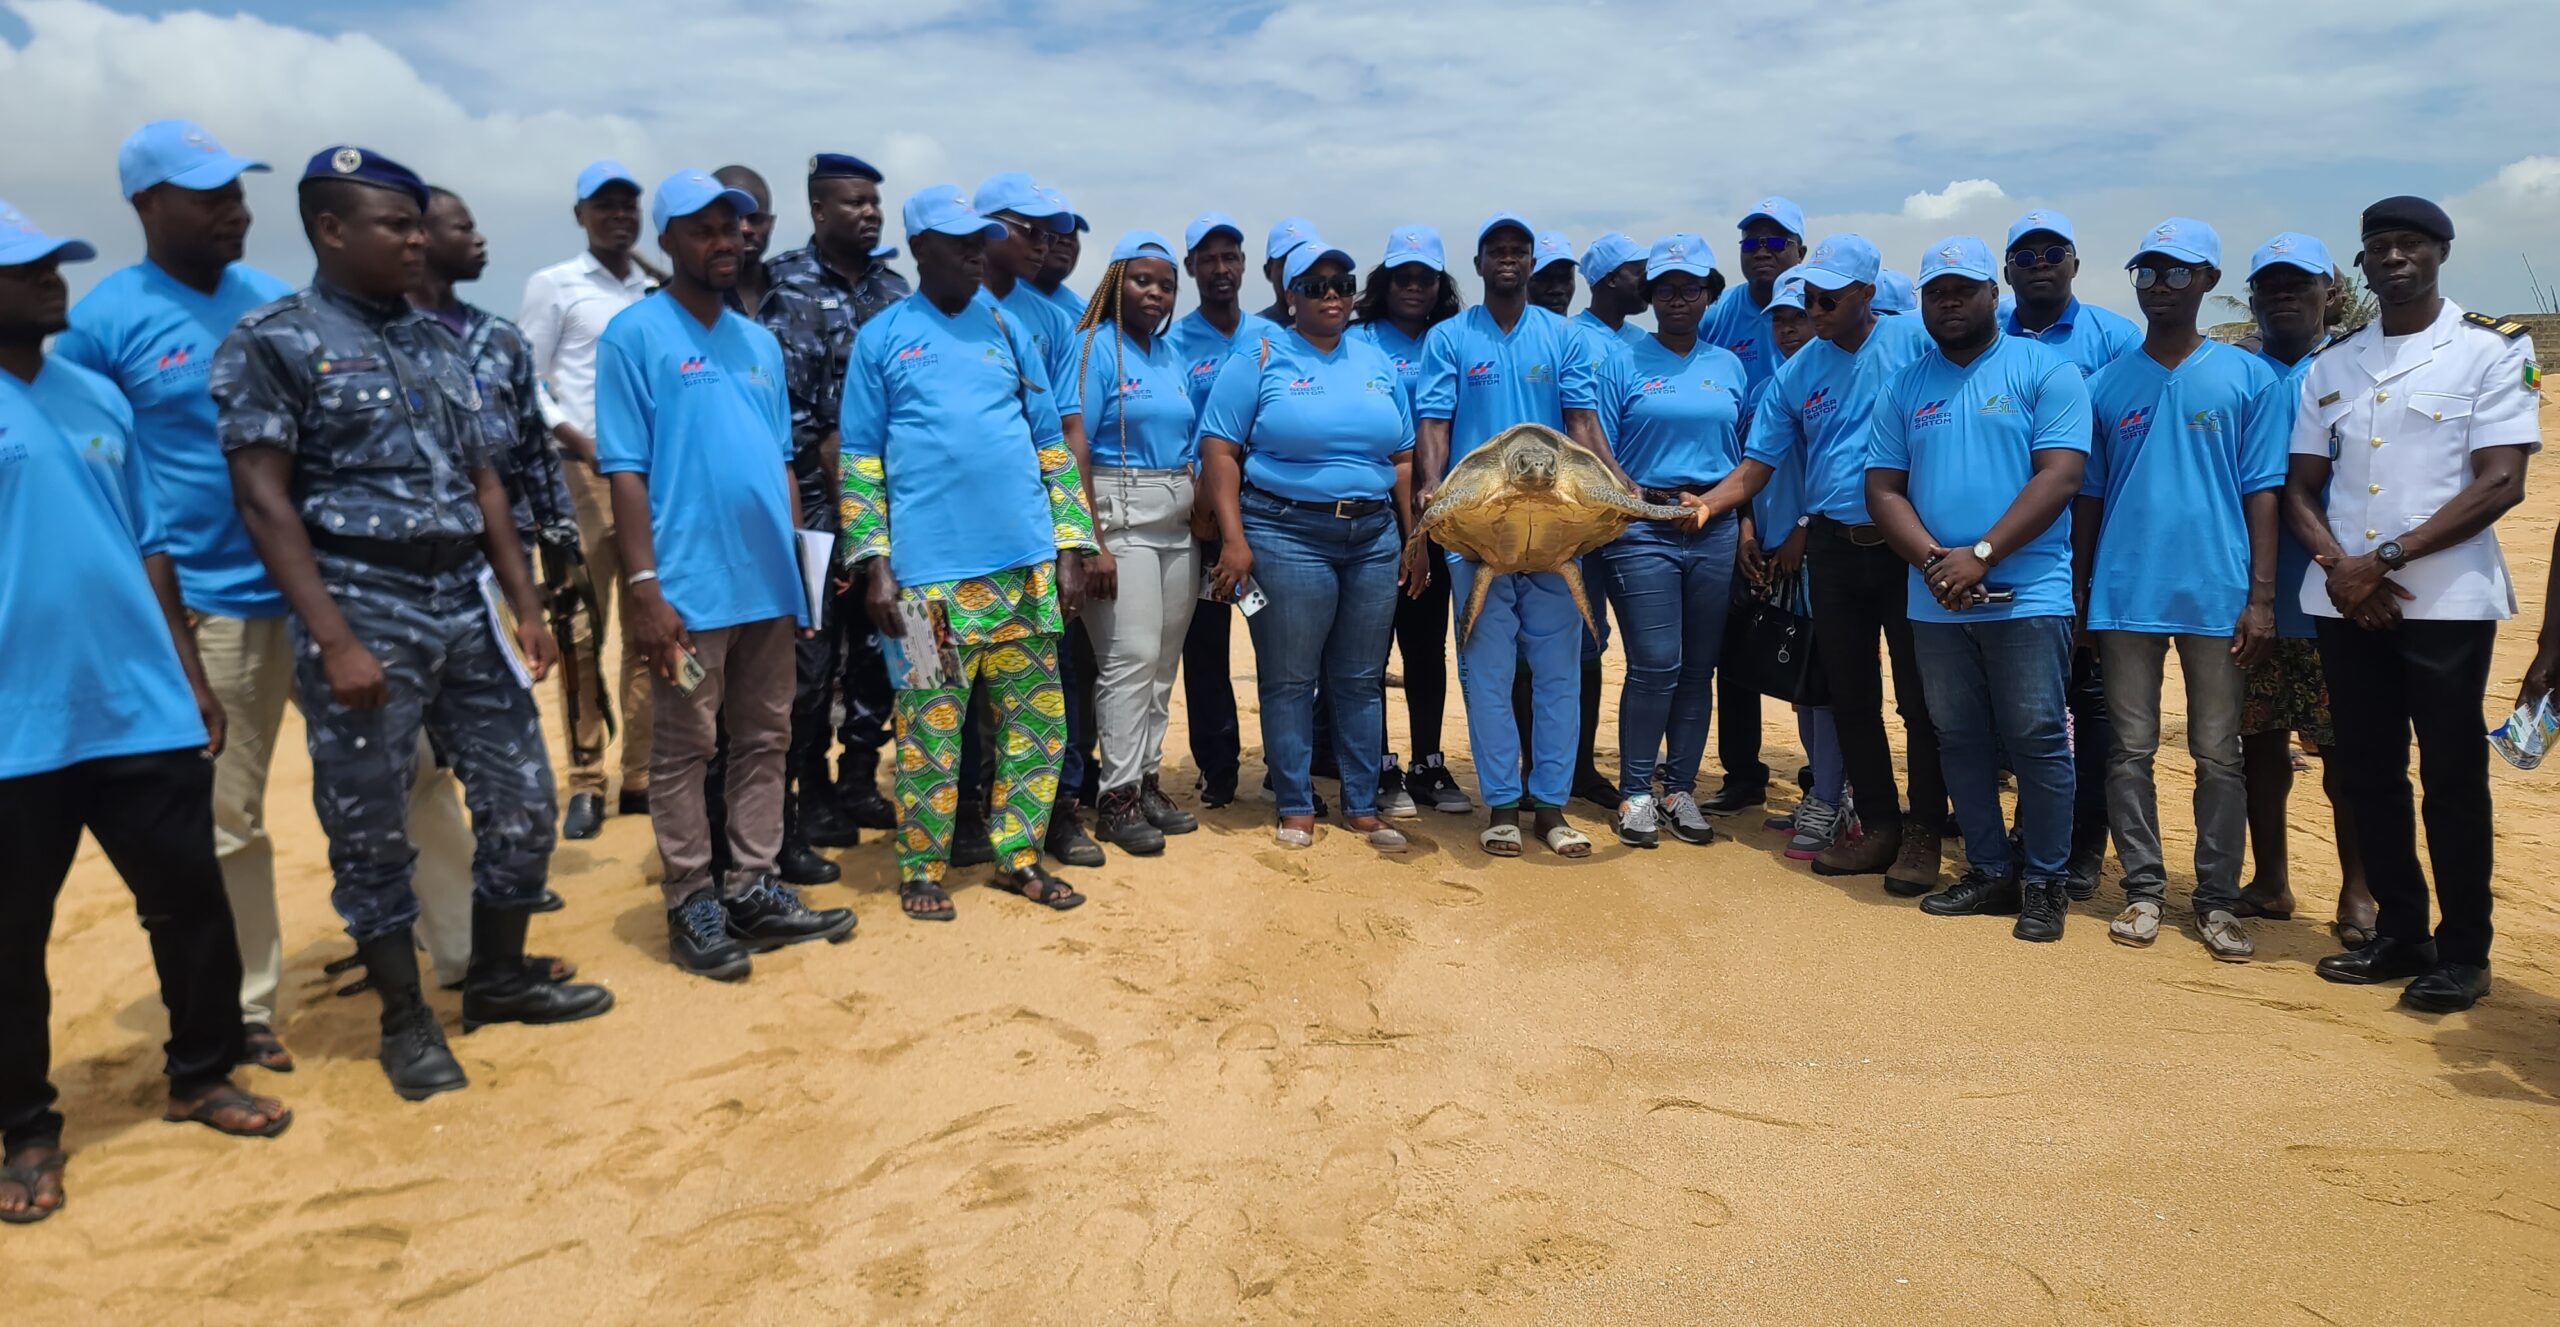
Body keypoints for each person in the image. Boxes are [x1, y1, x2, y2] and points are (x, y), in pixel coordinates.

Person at [214, 147, 613, 1101]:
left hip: (466, 599)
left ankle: (500, 977)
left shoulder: (442, 342)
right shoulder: (274, 340)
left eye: (417, 224)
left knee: (522, 800)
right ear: (330, 230)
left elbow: (485, 479)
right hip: (362, 601)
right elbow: (263, 500)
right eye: (396, 225)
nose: (417, 240)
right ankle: (404, 1017)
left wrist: (524, 603)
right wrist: (336, 637)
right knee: (371, 828)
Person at [53, 119, 417, 1073]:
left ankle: (436, 953)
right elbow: (101, 473)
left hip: (330, 591)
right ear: (146, 204)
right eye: (208, 195)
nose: (235, 210)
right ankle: (249, 1004)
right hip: (215, 605)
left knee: (408, 767)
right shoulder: (103, 323)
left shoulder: (278, 302)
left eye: (237, 191)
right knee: (228, 817)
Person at [1, 202, 293, 1227]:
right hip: (14, 726)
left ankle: (202, 1070)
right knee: (11, 938)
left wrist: (188, 673)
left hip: (137, 705)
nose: (50, 280)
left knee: (188, 903)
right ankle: (26, 1127)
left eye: (52, 263)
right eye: (24, 268)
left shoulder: (92, 392)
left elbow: (151, 540)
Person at [594, 170, 854, 980]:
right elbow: (626, 471)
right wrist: (644, 589)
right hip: (686, 589)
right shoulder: (634, 336)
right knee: (684, 746)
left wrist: (799, 568)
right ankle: (690, 897)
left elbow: (781, 464)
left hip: (766, 584)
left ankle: (753, 883)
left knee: (766, 737)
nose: (726, 242)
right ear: (666, 239)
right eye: (704, 229)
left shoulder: (760, 343)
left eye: (736, 229)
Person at [2285, 196, 2539, 1013]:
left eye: (2411, 244)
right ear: (2360, 266)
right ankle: (2402, 931)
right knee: (2366, 772)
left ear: (2442, 252)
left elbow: (2502, 480)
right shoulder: (2332, 364)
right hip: (2345, 602)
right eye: (2379, 247)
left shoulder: (2490, 351)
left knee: (2453, 776)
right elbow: (2300, 487)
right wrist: (2342, 570)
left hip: (2446, 601)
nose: (2394, 257)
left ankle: (2465, 949)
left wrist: (2384, 560)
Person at [838, 183, 1098, 921]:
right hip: (927, 587)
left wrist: (1072, 544)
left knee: (1037, 724)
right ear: (920, 248)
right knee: (930, 732)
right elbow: (859, 459)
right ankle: (923, 867)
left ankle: (1019, 855)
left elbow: (1050, 441)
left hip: (1022, 572)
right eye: (957, 242)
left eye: (978, 240)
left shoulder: (1008, 331)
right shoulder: (884, 338)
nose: (974, 253)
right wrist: (876, 566)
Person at [1867, 236, 2092, 942]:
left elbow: (2059, 476)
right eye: (1937, 292)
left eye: (1963, 289)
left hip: (2029, 592)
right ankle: (1990, 869)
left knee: (2035, 737)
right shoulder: (1906, 385)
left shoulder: (2044, 369)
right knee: (1957, 735)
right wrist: (1939, 560)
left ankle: (2045, 879)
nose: (1950, 302)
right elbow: (1881, 487)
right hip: (1935, 594)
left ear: (1993, 292)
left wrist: (1983, 555)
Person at [2076, 219, 2285, 960]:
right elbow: (2090, 500)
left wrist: (2261, 597)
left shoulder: (2247, 377)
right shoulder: (2105, 384)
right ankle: (2141, 889)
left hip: (2217, 593)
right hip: (2126, 592)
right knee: (2128, 750)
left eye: (2175, 273)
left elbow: (2265, 493)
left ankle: (2218, 900)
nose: (2159, 288)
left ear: (2206, 280)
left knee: (2217, 752)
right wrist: (2081, 595)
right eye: (2147, 274)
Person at [1708, 235, 1938, 891]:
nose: (1815, 306)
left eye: (1828, 295)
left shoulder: (1912, 341)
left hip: (1905, 546)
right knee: (1850, 695)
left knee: (1920, 702)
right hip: (1836, 551)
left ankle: (1922, 834)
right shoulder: (1797, 372)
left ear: (1868, 293)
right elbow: (1756, 467)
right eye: (1808, 295)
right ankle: (1878, 827)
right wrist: (1707, 504)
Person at [1200, 240, 1415, 851]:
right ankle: (1295, 803)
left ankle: (1362, 804)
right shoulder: (1260, 353)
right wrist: (1234, 541)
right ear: (1289, 295)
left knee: (1359, 678)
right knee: (1290, 677)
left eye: (1342, 284)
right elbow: (1219, 449)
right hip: (1284, 530)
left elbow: (1400, 458)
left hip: (1372, 534)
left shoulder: (1373, 357)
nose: (1331, 296)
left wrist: (1411, 537)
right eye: (1315, 285)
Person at [1413, 213, 1614, 858]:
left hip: (1555, 530)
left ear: (1532, 264)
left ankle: (1550, 807)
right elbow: (1435, 424)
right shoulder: (1449, 338)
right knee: (1488, 671)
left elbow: (1581, 423)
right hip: (1477, 530)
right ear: (1478, 265)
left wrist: (1620, 486)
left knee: (1559, 672)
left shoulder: (1563, 337)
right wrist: (1431, 487)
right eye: (1495, 251)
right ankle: (1501, 803)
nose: (1507, 260)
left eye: (1518, 251)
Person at [756, 152, 913, 877]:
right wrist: (835, 465)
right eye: (853, 202)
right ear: (818, 210)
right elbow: (782, 404)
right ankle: (810, 790)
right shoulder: (783, 283)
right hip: (817, 502)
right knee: (814, 657)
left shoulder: (894, 289)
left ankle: (858, 776)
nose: (869, 213)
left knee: (883, 645)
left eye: (875, 202)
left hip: (889, 495)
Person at [2233, 234, 2371, 945]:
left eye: (2299, 283)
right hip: (2250, 596)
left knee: (2344, 752)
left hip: (2336, 597)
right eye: (2270, 284)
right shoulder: (2235, 371)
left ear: (2331, 290)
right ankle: (2271, 879)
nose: (2283, 294)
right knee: (2257, 747)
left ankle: (2358, 889)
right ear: (2253, 295)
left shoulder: (2356, 366)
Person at [1592, 235, 1748, 848]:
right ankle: (1635, 793)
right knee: (1656, 663)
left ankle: (1679, 789)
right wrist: (1646, 501)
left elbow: (1746, 455)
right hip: (1641, 526)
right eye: (1665, 288)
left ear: (1709, 293)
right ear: (1649, 296)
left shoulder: (1728, 365)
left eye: (1690, 288)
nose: (1678, 299)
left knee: (1698, 669)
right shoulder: (1621, 361)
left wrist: (1713, 508)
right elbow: (1596, 447)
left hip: (1712, 526)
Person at [2002, 208, 2138, 898]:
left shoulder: (2115, 339)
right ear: (2007, 272)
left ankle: (2085, 845)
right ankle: (2031, 831)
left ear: (2076, 263)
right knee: (2030, 708)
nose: (2040, 264)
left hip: (2098, 544)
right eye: (2024, 256)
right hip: (2014, 552)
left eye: (2053, 251)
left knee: (2092, 707)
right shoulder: (1984, 331)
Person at [520, 160, 657, 839]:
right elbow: (530, 382)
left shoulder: (656, 287)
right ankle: (583, 780)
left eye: (628, 204)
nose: (618, 216)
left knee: (649, 628)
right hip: (581, 477)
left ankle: (640, 776)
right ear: (580, 214)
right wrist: (577, 437)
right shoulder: (556, 286)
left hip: (653, 478)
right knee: (580, 633)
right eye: (603, 206)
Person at [971, 171, 1105, 867]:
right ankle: (969, 817)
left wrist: (1073, 537)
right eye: (1029, 227)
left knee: (1052, 677)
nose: (1045, 242)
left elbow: (1068, 436)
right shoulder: (944, 312)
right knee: (957, 682)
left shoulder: (1054, 319)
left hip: (1031, 525)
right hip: (959, 534)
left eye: (1052, 230)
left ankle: (1059, 813)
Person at [1063, 231, 1203, 854]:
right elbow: (1075, 446)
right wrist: (1089, 540)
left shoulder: (1169, 356)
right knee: (1129, 658)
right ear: (1117, 280)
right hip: (1119, 517)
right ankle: (1114, 799)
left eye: (1167, 284)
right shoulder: (1092, 347)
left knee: (1162, 665)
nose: (1156, 292)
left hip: (1175, 522)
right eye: (1144, 280)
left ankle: (1145, 779)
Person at [1352, 225, 1470, 817]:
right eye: (1403, 277)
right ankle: (1379, 764)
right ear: (1385, 282)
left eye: (1426, 277)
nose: (1415, 287)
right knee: (1369, 652)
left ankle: (1428, 762)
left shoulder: (1453, 338)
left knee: (1426, 649)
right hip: (1375, 518)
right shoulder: (1359, 339)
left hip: (1442, 520)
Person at [1700, 195, 1809, 816]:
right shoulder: (1722, 317)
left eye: (1775, 243)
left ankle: (1826, 778)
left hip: (1805, 523)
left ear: (1800, 249)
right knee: (1734, 654)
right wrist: (1741, 523)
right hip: (1745, 513)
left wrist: (1801, 526)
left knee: (1816, 656)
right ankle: (1743, 773)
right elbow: (1738, 446)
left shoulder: (1831, 347)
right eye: (1751, 244)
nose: (1762, 253)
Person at [1168, 211, 1279, 811]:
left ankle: (1284, 762)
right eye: (1207, 258)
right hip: (1205, 533)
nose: (1220, 268)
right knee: (1205, 650)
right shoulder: (1172, 343)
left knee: (1273, 639)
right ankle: (1218, 768)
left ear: (1243, 265)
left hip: (1263, 527)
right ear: (1191, 268)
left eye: (1229, 256)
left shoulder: (1268, 337)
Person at [1742, 269, 1854, 860]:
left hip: (1810, 550)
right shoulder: (1778, 385)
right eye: (1780, 319)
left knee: (1826, 686)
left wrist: (1805, 530)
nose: (1789, 328)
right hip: (1777, 551)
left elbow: (1835, 470)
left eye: (1799, 316)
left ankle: (1833, 798)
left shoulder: (1827, 379)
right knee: (1803, 687)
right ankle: (1826, 788)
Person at [713, 165, 777, 315]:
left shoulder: (801, 293)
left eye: (756, 219)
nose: (745, 229)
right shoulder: (683, 303)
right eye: (734, 219)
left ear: (771, 223)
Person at [1256, 216, 1317, 328]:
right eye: (1286, 262)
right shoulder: (1255, 333)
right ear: (1268, 272)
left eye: (1305, 260)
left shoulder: (1342, 329)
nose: (1295, 270)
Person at [1034, 201, 1088, 313]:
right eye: (1056, 232)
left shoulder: (1087, 317)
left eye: (1072, 236)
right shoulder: (998, 296)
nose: (1066, 241)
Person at [1528, 230, 1579, 317]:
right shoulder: (1506, 329)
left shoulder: (1584, 330)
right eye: (1544, 279)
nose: (1556, 289)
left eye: (1564, 278)